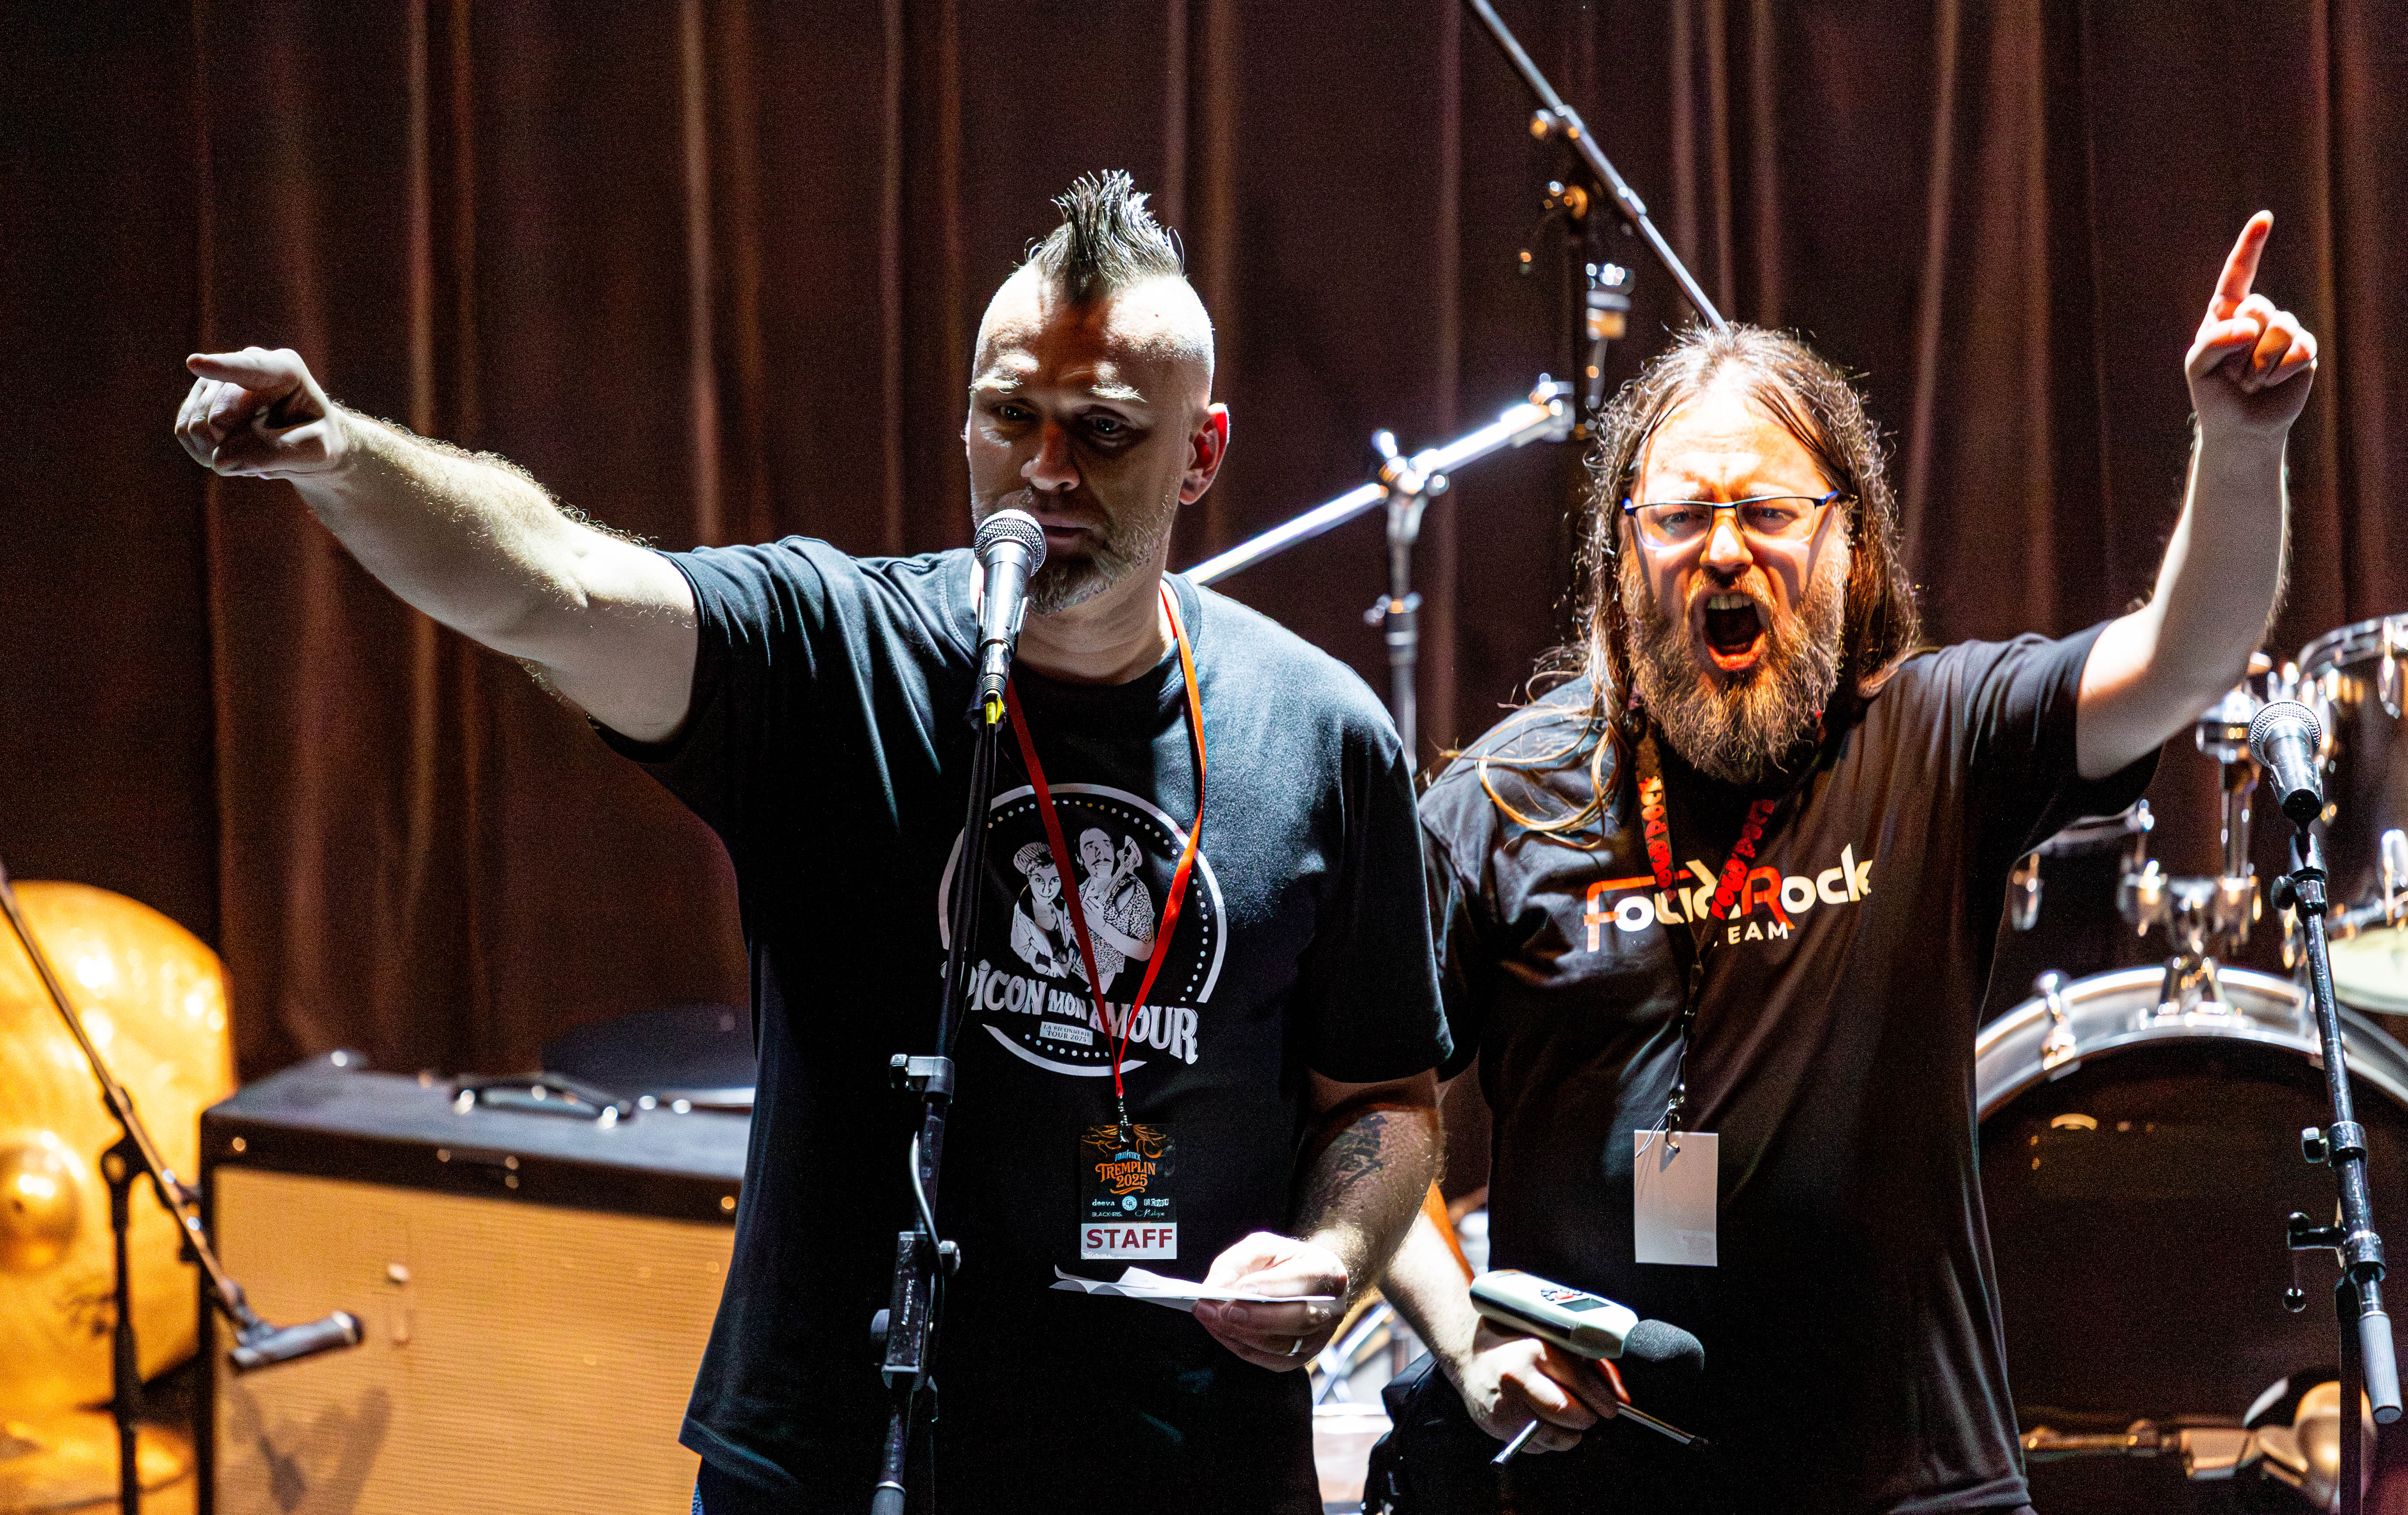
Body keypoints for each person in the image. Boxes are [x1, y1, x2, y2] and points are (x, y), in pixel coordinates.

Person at [174, 171, 1451, 1514]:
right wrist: (344, 455)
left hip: (1185, 1470)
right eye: (1010, 416)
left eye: (1105, 431)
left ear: (1200, 452)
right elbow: (553, 584)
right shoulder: (833, 651)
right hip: (837, 1459)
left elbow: (1383, 1097)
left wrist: (1333, 1254)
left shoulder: (1321, 732)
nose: (1046, 472)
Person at [1377, 214, 2317, 1512]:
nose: (1723, 550)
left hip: (1909, 1484)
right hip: (1590, 1487)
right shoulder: (1500, 801)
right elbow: (1359, 1101)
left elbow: (2182, 657)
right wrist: (1463, 1337)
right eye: (1680, 517)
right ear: (1621, 554)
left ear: (1848, 545)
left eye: (1768, 511)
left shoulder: (1938, 735)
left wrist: (2242, 447)